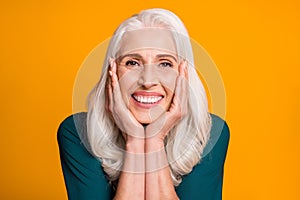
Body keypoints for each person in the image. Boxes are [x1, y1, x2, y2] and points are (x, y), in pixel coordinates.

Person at [57, 8, 230, 200]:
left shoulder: (209, 132)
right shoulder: (78, 131)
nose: (147, 81)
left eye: (165, 64)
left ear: (183, 73)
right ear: (112, 71)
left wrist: (155, 140)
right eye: (132, 63)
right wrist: (135, 140)